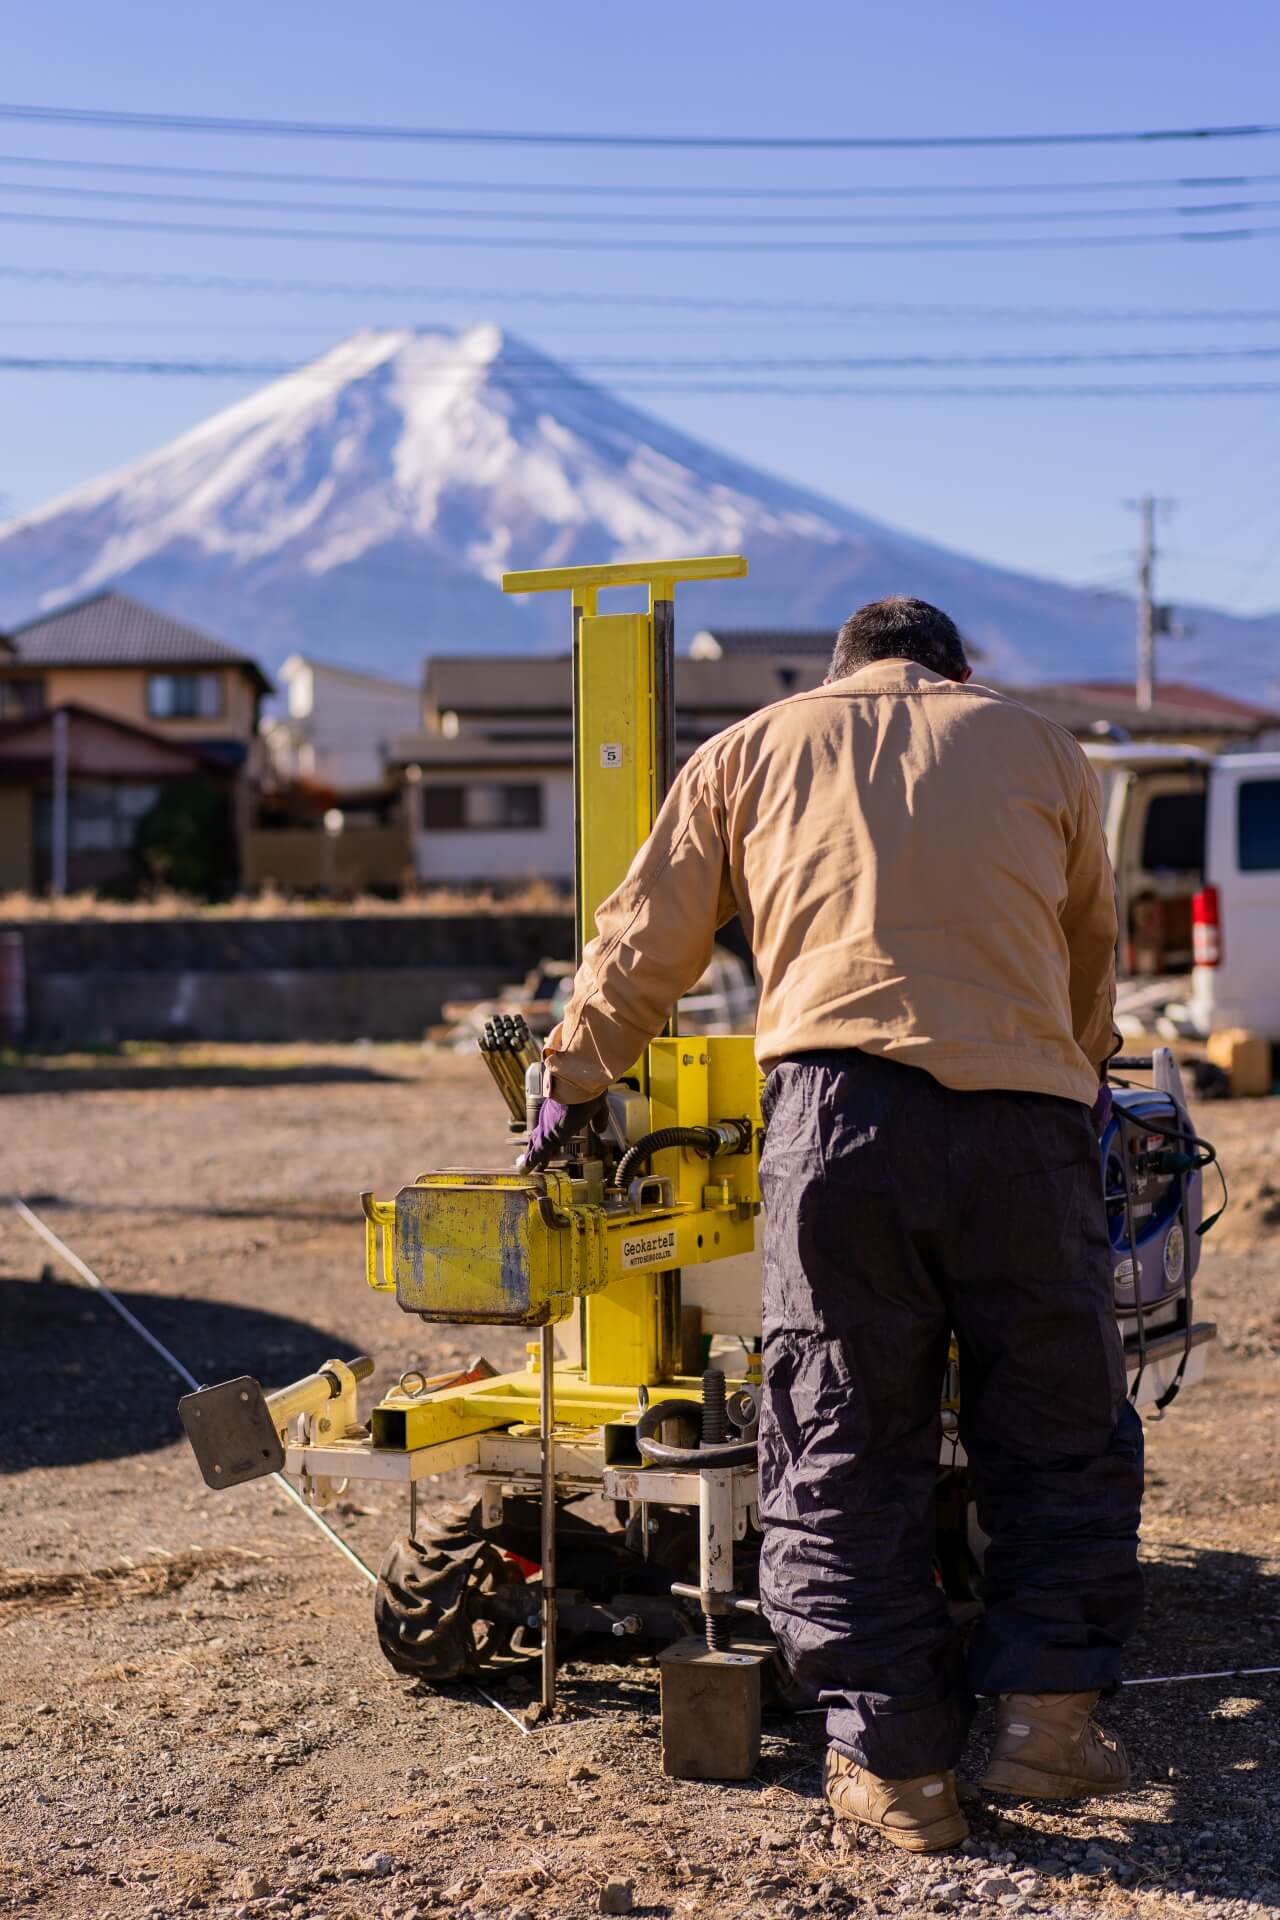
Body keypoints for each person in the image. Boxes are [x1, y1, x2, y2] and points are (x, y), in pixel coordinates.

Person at [522, 596, 1140, 1853]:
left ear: (836, 671)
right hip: (1027, 1123)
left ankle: (897, 1771)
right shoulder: (1041, 747)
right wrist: (1078, 1071)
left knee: (841, 1437)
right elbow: (1086, 950)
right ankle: (1048, 1728)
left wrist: (571, 1077)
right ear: (954, 672)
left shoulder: (750, 747)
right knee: (1056, 1425)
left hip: (839, 1121)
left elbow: (644, 939)